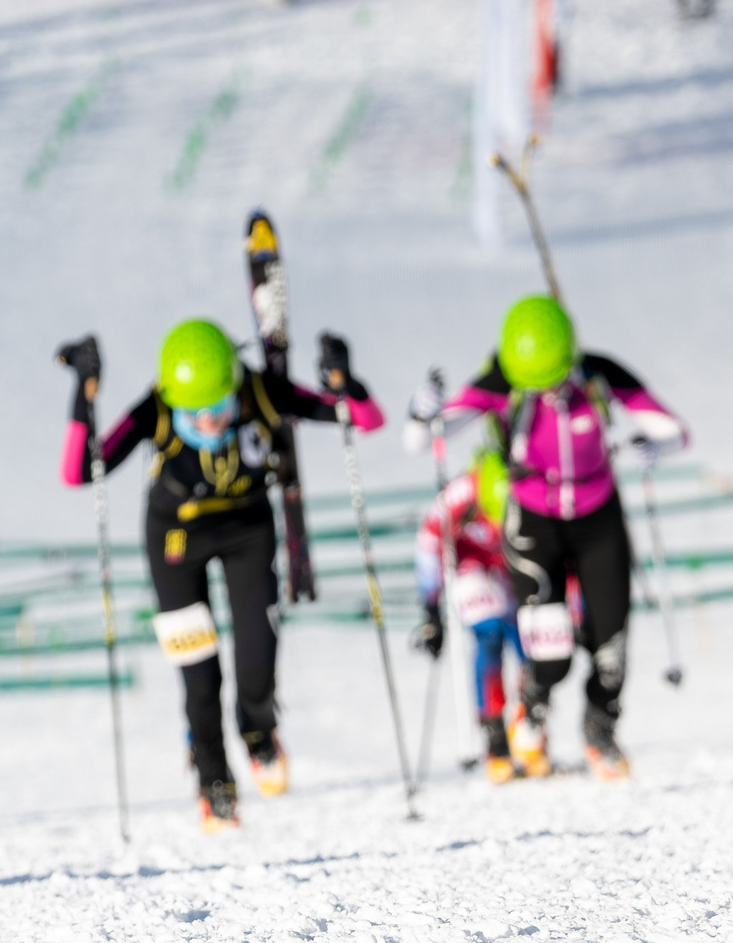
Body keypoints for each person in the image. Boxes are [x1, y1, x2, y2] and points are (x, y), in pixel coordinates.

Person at [58, 322, 384, 829]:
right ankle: (213, 775)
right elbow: (79, 471)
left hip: (246, 527)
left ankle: (258, 732)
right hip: (175, 536)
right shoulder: (159, 407)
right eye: (196, 413)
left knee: (257, 652)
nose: (209, 423)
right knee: (199, 671)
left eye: (218, 408)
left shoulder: (259, 390)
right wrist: (83, 390)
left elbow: (362, 420)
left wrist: (345, 379)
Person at [439, 296, 686, 775]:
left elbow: (674, 430)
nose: (546, 392)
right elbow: (428, 431)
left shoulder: (596, 375)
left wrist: (651, 446)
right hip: (535, 523)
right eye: (535, 384)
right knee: (551, 651)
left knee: (610, 644)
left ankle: (601, 727)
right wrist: (424, 411)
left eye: (552, 380)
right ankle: (532, 707)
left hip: (598, 519)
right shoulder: (504, 379)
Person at [414, 452, 527, 782]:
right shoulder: (461, 493)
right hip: (469, 564)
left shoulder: (530, 487)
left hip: (511, 564)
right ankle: (494, 733)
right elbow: (428, 540)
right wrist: (431, 607)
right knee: (489, 632)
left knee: (526, 642)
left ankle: (531, 723)